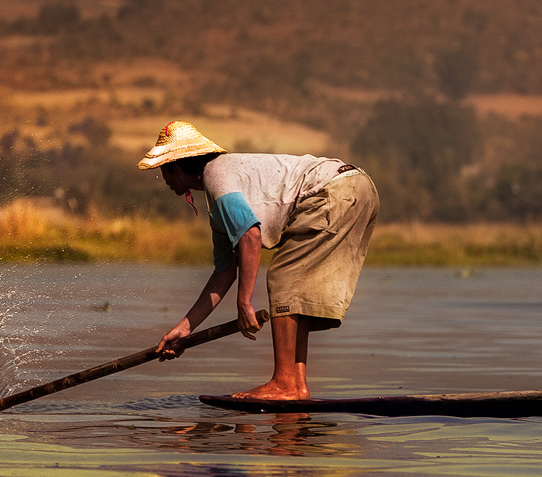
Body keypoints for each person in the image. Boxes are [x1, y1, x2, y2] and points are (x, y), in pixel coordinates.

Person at [139, 120, 378, 401]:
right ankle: (296, 386)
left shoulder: (217, 177)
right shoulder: (221, 194)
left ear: (175, 168)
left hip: (335, 190)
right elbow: (225, 271)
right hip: (357, 187)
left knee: (283, 278)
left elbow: (250, 237)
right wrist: (186, 327)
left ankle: (284, 384)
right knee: (294, 285)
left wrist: (244, 303)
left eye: (162, 172)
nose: (164, 180)